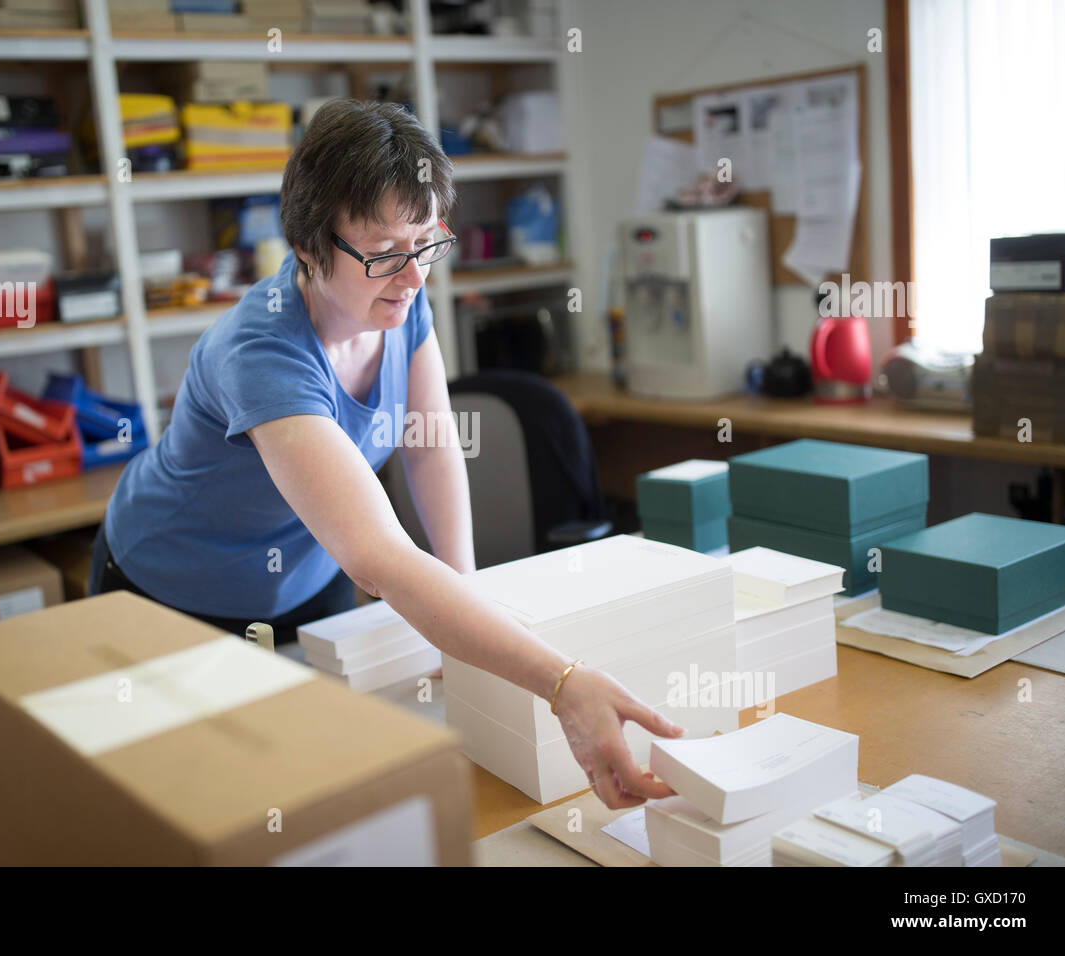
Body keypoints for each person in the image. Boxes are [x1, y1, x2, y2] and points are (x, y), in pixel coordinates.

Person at [90, 98, 682, 810]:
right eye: (383, 252)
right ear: (309, 245)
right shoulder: (262, 353)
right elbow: (378, 557)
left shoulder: (400, 304)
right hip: (175, 590)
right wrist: (560, 682)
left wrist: (467, 596)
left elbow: (430, 450)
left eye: (427, 243)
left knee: (326, 786)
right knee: (209, 806)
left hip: (307, 580)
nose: (412, 276)